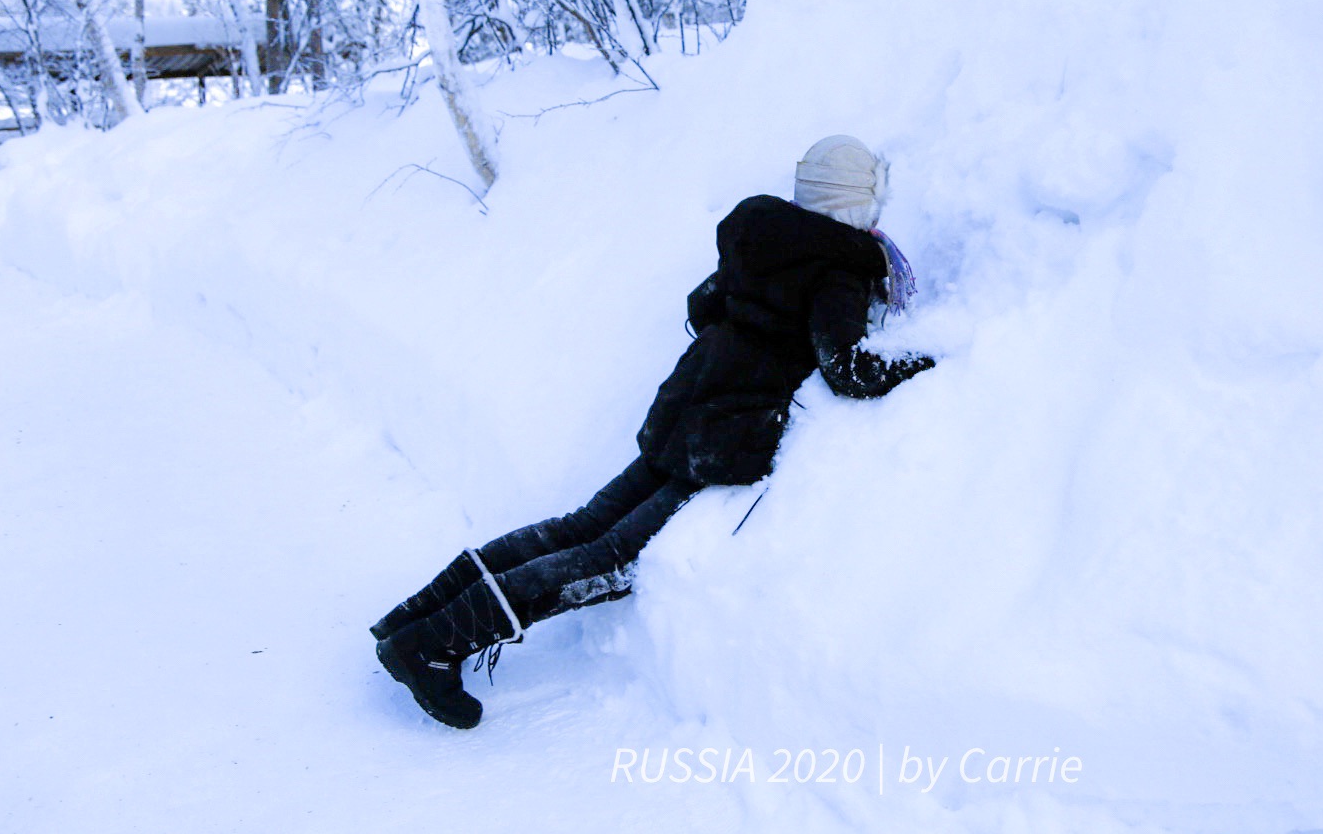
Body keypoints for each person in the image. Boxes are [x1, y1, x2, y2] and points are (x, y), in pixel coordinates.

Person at [372, 135, 935, 728]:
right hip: (728, 431)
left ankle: (414, 619)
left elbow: (702, 305)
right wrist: (925, 363)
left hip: (685, 405)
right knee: (613, 558)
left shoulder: (762, 234)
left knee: (580, 526)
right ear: (857, 200)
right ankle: (431, 647)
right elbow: (844, 367)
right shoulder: (842, 266)